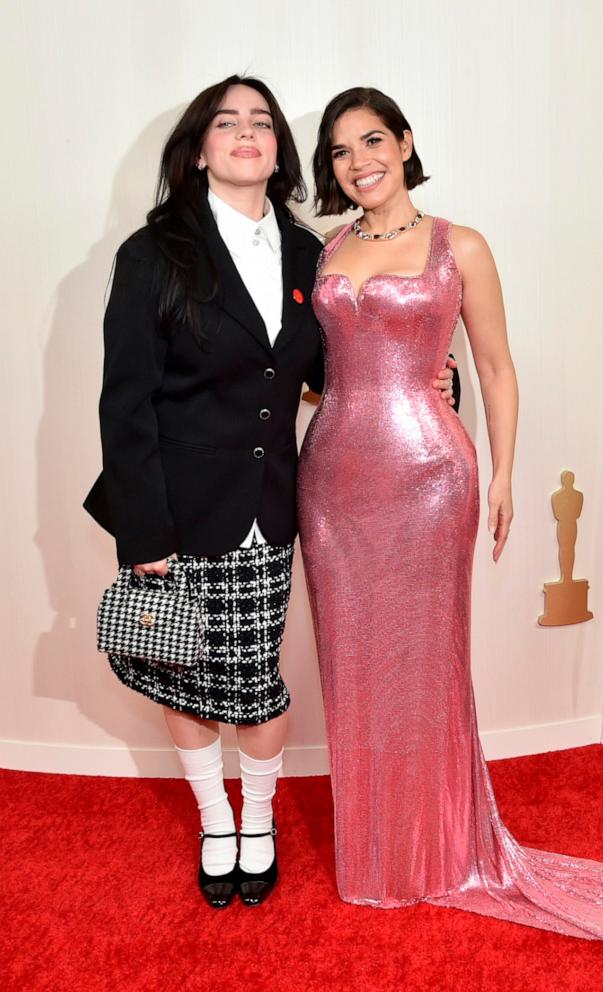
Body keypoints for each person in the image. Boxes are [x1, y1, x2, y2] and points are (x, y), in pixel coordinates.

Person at [297, 86, 603, 942]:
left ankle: (439, 849)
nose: (360, 162)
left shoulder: (457, 245)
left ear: (406, 142)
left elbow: (494, 368)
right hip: (332, 483)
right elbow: (313, 372)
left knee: (426, 665)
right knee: (353, 666)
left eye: (373, 141)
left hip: (430, 477)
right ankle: (377, 855)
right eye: (342, 151)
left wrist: (503, 475)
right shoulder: (321, 251)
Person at [84, 75, 456, 910]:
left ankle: (260, 818)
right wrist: (142, 531)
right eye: (227, 122)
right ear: (200, 147)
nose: (246, 133)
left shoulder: (305, 251)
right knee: (183, 675)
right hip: (177, 512)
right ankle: (215, 820)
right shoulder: (152, 254)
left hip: (276, 504)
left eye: (262, 122)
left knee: (253, 679)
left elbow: (328, 367)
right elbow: (124, 401)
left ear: (278, 153)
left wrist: (429, 379)